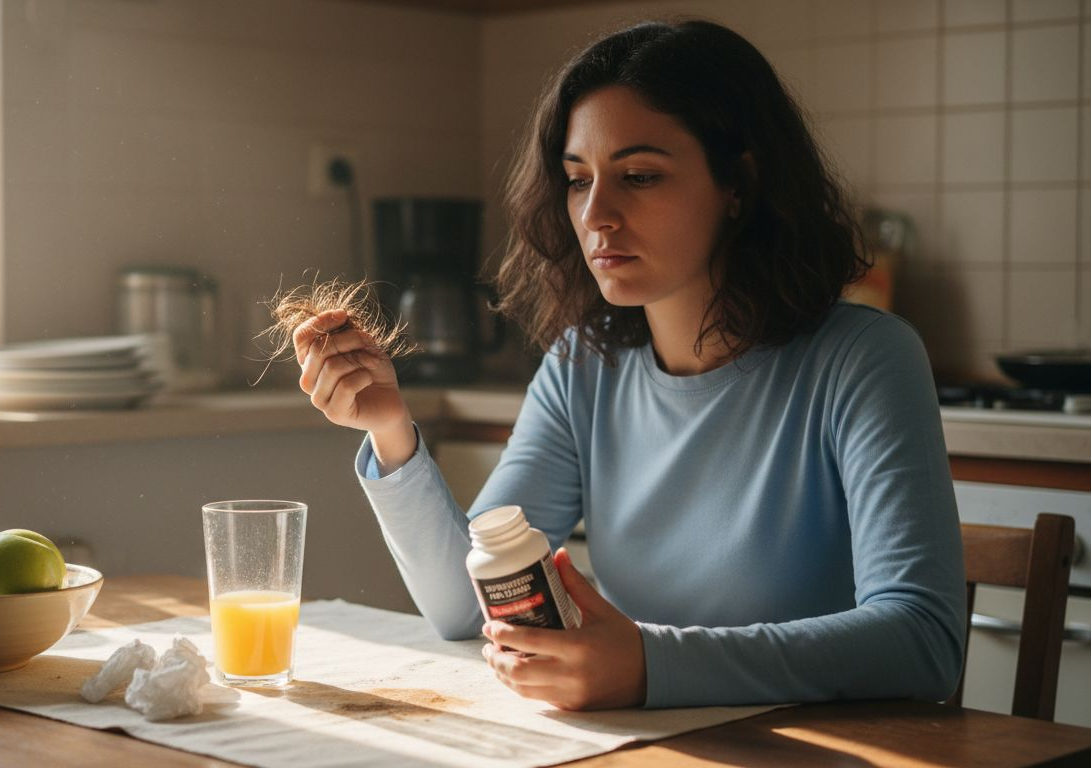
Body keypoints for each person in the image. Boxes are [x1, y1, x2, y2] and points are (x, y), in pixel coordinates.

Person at [291, 18, 965, 711]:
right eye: (579, 181)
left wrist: (651, 666)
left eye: (639, 176)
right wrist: (390, 430)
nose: (597, 215)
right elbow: (469, 609)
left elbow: (923, 641)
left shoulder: (865, 359)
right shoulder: (583, 365)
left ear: (740, 182)